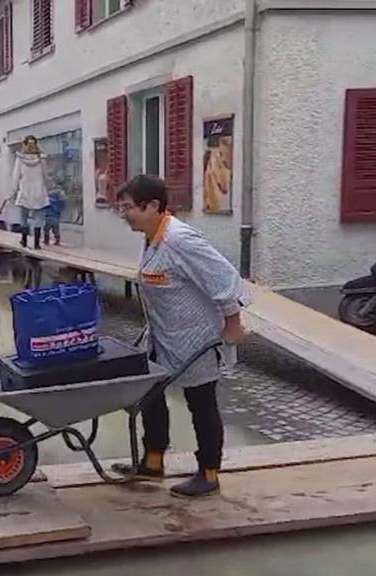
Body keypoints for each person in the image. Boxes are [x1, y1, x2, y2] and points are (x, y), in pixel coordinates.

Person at [112, 175, 247, 498]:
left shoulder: (180, 240)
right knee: (150, 391)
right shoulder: (152, 236)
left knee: (201, 402)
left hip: (196, 337)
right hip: (164, 334)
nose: (123, 213)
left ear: (154, 206)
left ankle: (209, 473)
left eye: (128, 207)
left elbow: (224, 278)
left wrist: (232, 325)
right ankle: (153, 460)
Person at [10, 135, 51, 249]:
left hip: (25, 190)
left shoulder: (20, 159)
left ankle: (24, 241)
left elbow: (15, 176)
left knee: (24, 217)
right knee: (38, 218)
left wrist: (13, 191)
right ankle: (37, 244)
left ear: (24, 144)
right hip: (39, 191)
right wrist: (48, 188)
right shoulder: (41, 159)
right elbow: (45, 175)